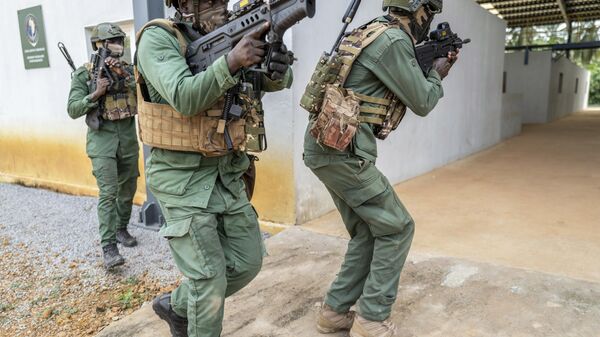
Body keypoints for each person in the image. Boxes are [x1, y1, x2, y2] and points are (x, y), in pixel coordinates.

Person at [135, 0, 294, 336]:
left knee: (248, 262)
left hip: (226, 172)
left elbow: (266, 82)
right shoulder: (159, 39)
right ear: (185, 5)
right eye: (208, 1)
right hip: (181, 179)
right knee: (208, 278)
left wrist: (277, 67)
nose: (219, 6)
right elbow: (184, 96)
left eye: (221, 0)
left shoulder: (229, 34)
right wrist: (233, 60)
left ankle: (177, 307)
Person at [303, 1, 458, 336]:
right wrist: (437, 71)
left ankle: (334, 312)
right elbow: (423, 101)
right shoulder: (393, 41)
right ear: (419, 11)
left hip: (325, 147)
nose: (427, 21)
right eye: (428, 14)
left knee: (367, 231)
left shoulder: (370, 31)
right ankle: (372, 319)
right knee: (398, 227)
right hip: (344, 153)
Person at [67, 22, 139, 270]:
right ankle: (109, 247)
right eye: (111, 41)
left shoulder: (129, 70)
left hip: (128, 140)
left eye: (119, 39)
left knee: (128, 188)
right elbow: (73, 109)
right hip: (102, 142)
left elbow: (145, 95)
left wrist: (123, 76)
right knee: (109, 193)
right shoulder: (84, 73)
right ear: (98, 44)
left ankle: (121, 229)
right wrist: (95, 94)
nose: (115, 45)